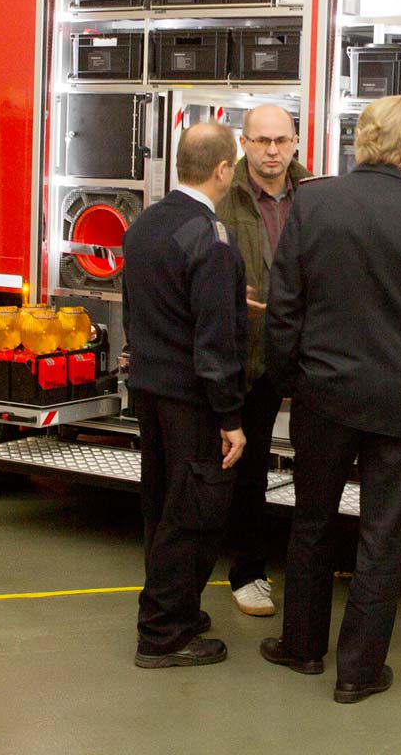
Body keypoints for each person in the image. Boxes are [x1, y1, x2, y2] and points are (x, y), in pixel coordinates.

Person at [261, 95, 401, 703]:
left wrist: (287, 381)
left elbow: (285, 306)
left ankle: (302, 647)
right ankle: (359, 671)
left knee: (312, 520)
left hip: (324, 394)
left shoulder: (314, 201)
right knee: (384, 533)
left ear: (361, 139)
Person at [122, 122, 248, 668]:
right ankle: (163, 634)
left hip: (150, 390)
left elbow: (142, 309)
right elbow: (215, 340)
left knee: (161, 507)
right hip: (192, 399)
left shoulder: (144, 225)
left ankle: (178, 611)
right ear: (222, 170)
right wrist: (230, 416)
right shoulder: (210, 237)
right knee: (192, 513)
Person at [214, 104, 312, 618]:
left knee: (317, 461)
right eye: (261, 141)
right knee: (247, 469)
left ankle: (308, 568)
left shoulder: (316, 195)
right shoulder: (222, 197)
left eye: (281, 140)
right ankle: (248, 572)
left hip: (307, 353)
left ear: (295, 142)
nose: (272, 151)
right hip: (248, 354)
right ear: (244, 143)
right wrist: (230, 297)